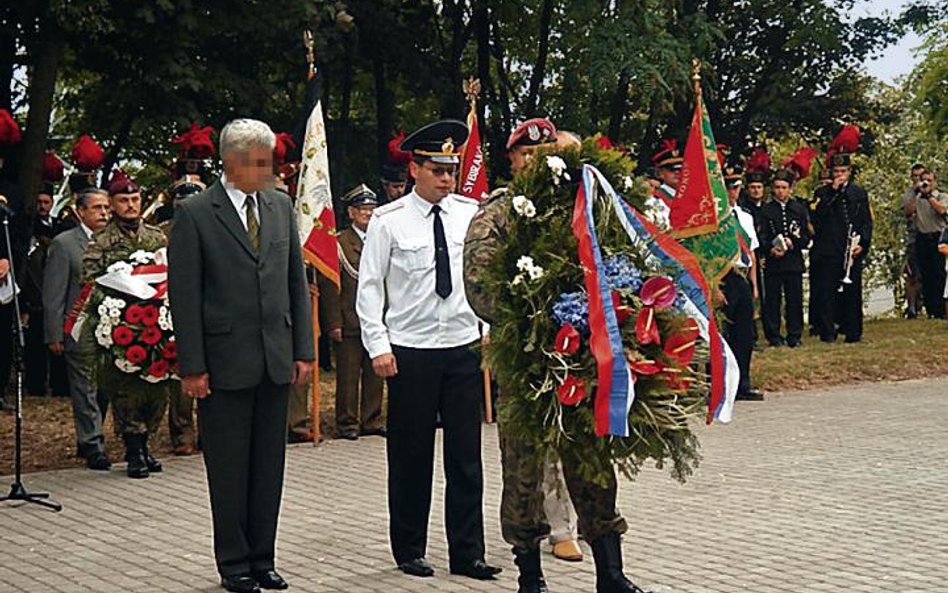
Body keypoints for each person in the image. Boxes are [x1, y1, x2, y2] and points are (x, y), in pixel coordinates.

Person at [464, 135, 643, 593]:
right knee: (523, 472)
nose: (539, 165)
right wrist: (541, 321)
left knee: (592, 468)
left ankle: (611, 574)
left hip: (582, 363)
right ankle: (530, 575)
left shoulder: (581, 206)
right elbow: (481, 289)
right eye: (529, 156)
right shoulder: (497, 214)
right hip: (527, 365)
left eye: (549, 158)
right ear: (514, 160)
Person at [168, 118, 314, 593]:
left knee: (269, 466)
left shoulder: (278, 205)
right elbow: (184, 295)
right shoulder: (194, 213)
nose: (270, 169)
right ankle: (234, 563)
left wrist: (303, 350)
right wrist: (192, 366)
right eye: (260, 161)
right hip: (223, 360)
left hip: (275, 357)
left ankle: (263, 557)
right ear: (232, 163)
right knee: (229, 468)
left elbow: (295, 281)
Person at [357, 119, 501, 581]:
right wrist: (378, 345)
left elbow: (482, 276)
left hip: (461, 348)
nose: (445, 179)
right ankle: (410, 548)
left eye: (451, 170)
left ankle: (468, 552)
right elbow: (369, 288)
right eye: (436, 170)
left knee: (465, 457)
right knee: (411, 455)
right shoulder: (388, 221)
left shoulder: (469, 214)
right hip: (411, 350)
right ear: (414, 169)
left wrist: (484, 326)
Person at [83, 171, 168, 478]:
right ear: (112, 204)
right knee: (127, 392)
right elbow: (89, 282)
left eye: (135, 199)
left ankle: (147, 445)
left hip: (156, 326)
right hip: (120, 328)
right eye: (123, 200)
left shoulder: (156, 237)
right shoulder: (102, 241)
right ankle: (134, 451)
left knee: (157, 390)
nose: (131, 205)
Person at [43, 188, 112, 469]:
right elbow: (53, 293)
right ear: (80, 211)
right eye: (97, 208)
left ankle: (88, 439)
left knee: (105, 386)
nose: (104, 214)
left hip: (109, 327)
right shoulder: (64, 244)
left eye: (106, 208)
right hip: (78, 327)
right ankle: (93, 442)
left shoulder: (113, 241)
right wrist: (54, 333)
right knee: (84, 388)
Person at [325, 184, 385, 440]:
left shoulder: (381, 239)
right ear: (351, 213)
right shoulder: (339, 243)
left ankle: (371, 419)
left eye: (372, 210)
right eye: (362, 210)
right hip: (348, 319)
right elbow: (330, 287)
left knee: (375, 374)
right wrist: (333, 322)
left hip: (377, 319)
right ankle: (347, 422)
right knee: (348, 376)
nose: (368, 214)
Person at [809, 145, 872, 343]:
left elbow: (866, 221)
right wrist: (833, 192)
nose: (839, 175)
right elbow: (817, 217)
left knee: (853, 292)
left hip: (852, 249)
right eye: (836, 172)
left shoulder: (858, 193)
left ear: (849, 172)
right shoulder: (822, 193)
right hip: (830, 250)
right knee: (827, 292)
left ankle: (854, 332)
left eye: (843, 171)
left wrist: (863, 243)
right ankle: (828, 332)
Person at [23, 153, 69, 397]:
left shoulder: (60, 227)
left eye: (46, 201)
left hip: (56, 289)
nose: (42, 205)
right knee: (35, 345)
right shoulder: (27, 227)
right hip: (34, 291)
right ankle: (36, 384)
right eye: (39, 201)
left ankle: (60, 385)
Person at [722, 164, 764, 401]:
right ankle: (723, 384)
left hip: (742, 275)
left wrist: (754, 284)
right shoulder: (718, 218)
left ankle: (743, 382)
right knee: (725, 333)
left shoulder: (745, 216)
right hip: (723, 276)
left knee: (745, 333)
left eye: (736, 187)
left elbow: (753, 253)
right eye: (729, 187)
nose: (733, 192)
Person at [759, 167, 810, 347]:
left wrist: (793, 243)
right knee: (773, 300)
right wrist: (770, 248)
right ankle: (774, 336)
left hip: (793, 262)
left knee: (794, 300)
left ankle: (794, 335)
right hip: (774, 262)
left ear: (790, 189)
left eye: (783, 187)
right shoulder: (766, 210)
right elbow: (761, 236)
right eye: (777, 187)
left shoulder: (798, 209)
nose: (780, 191)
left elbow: (806, 236)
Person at [904, 169, 947, 319]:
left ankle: (940, 308)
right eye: (923, 179)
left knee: (939, 274)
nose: (926, 183)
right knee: (925, 274)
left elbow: (942, 210)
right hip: (922, 238)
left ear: (935, 182)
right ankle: (930, 310)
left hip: (938, 237)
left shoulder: (941, 196)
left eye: (929, 180)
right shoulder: (917, 198)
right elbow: (908, 212)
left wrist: (929, 195)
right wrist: (917, 193)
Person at [901, 163, 926, 318]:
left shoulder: (935, 193)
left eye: (920, 176)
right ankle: (911, 308)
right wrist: (917, 193)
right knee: (912, 275)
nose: (917, 179)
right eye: (914, 177)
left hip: (930, 235)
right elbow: (908, 212)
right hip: (914, 237)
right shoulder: (908, 195)